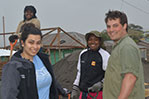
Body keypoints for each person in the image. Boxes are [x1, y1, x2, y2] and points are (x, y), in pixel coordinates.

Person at [1, 23, 58, 99]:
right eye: (31, 42)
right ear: (22, 43)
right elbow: (7, 95)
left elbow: (51, 82)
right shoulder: (14, 66)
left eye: (38, 43)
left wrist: (61, 91)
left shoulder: (43, 59)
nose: (35, 47)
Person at [103, 10, 145, 99]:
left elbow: (130, 77)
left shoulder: (127, 47)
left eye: (115, 26)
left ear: (124, 26)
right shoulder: (119, 46)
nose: (111, 30)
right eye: (108, 26)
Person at [71, 31, 110, 99]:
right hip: (83, 93)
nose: (93, 42)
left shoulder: (105, 55)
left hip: (98, 94)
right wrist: (75, 87)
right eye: (90, 40)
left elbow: (110, 74)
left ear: (100, 41)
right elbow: (79, 72)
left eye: (96, 40)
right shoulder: (83, 53)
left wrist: (101, 84)